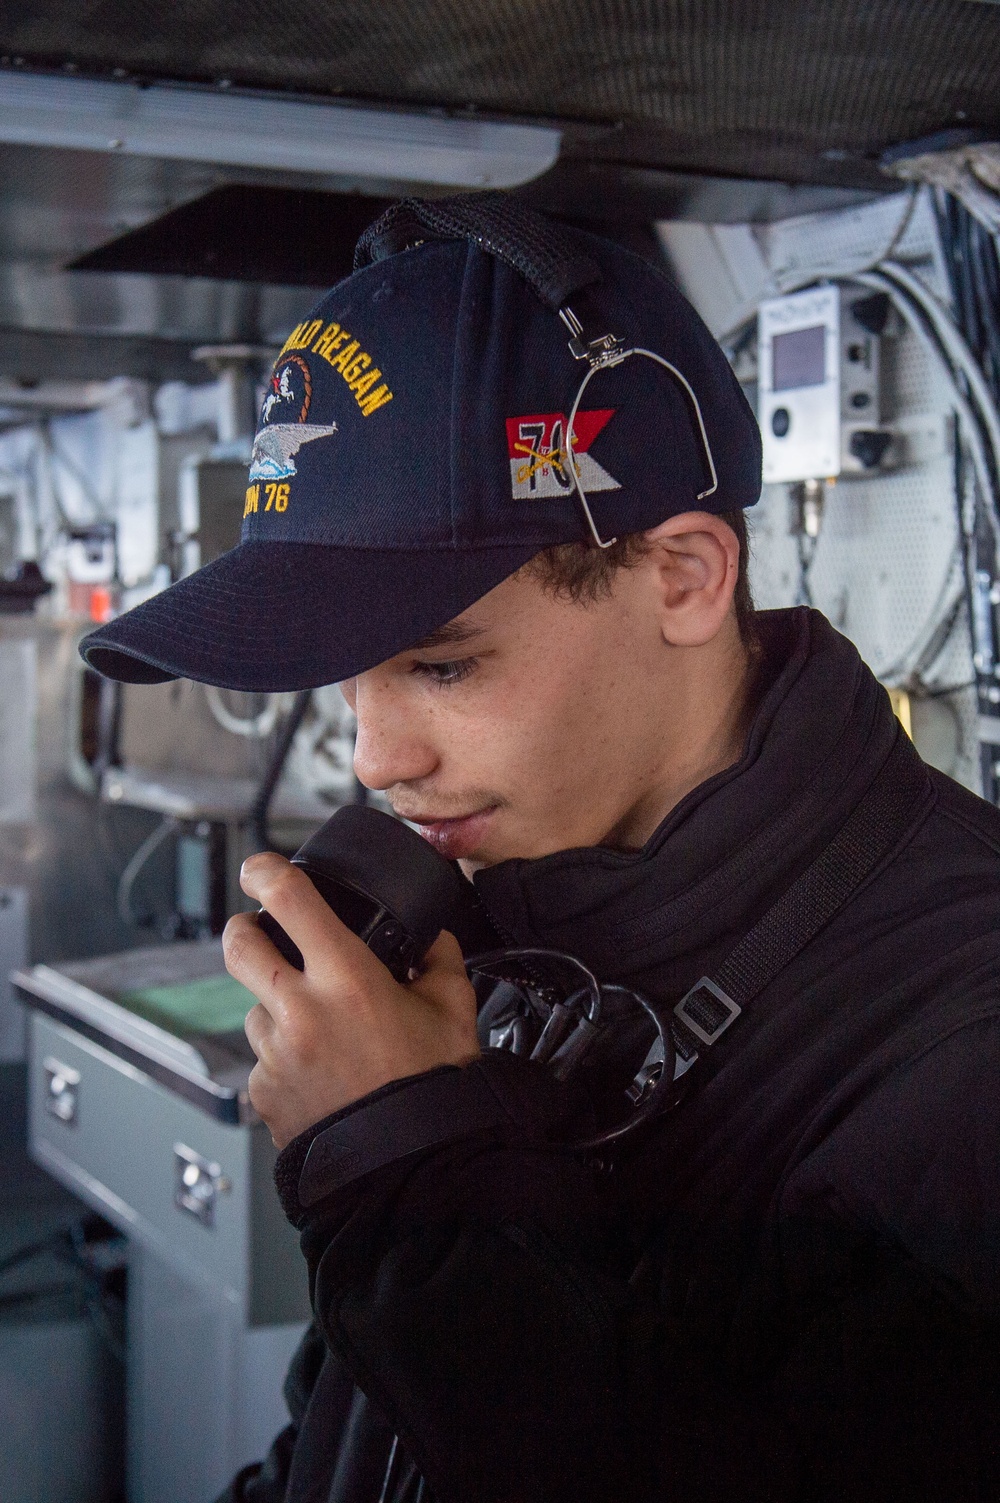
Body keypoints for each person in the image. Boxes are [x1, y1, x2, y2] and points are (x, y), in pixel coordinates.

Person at [82, 195, 1000, 1503]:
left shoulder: (959, 1038)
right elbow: (356, 1434)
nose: (374, 758)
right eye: (346, 683)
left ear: (683, 576)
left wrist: (406, 1176)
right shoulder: (494, 925)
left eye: (443, 664)